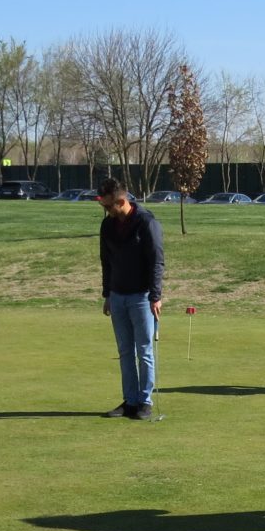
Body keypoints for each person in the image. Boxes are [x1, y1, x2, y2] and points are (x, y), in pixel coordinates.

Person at [97, 178, 164, 420]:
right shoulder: (107, 226)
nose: (106, 211)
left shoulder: (146, 223)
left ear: (122, 201)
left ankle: (145, 402)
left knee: (144, 351)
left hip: (142, 296)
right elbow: (106, 262)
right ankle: (130, 400)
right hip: (117, 296)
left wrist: (155, 297)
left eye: (108, 207)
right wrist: (107, 294)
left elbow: (156, 262)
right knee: (125, 351)